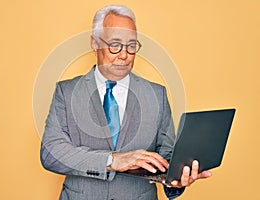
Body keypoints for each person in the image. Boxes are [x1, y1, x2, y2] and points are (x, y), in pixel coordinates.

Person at [40, 4, 211, 200]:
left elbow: (167, 156)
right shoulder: (66, 92)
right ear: (95, 44)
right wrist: (112, 160)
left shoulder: (157, 95)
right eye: (115, 45)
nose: (124, 55)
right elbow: (51, 154)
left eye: (131, 46)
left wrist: (176, 178)